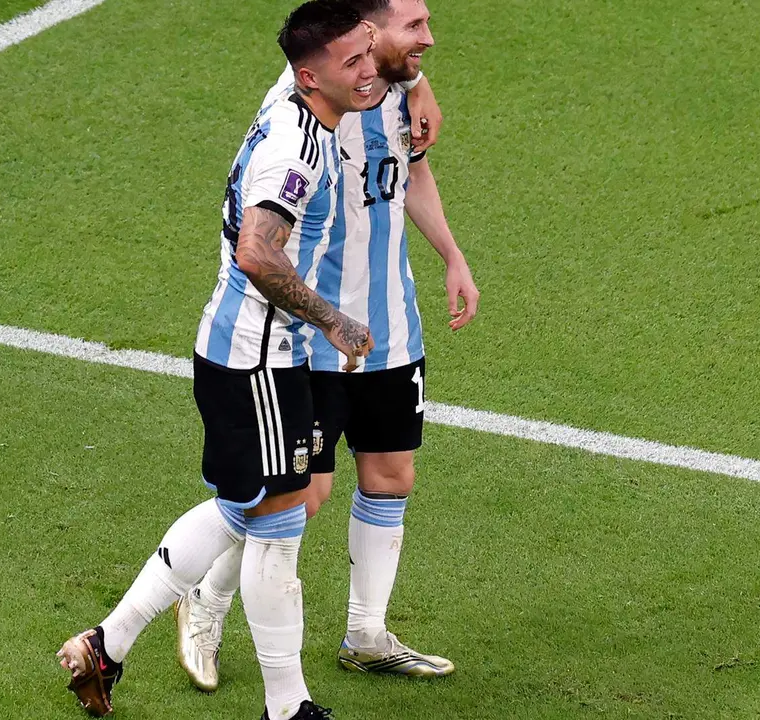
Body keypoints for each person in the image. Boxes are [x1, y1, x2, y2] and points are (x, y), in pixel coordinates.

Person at [56, 3, 378, 718]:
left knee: (242, 509)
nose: (368, 68)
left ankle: (105, 645)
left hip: (245, 352)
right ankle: (286, 708)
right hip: (257, 359)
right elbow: (258, 251)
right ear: (310, 75)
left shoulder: (295, 99)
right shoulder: (294, 150)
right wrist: (334, 321)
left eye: (368, 53)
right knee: (277, 523)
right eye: (353, 61)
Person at [176, 0, 480, 693]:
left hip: (391, 324)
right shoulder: (311, 95)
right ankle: (205, 602)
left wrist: (452, 257)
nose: (428, 40)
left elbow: (410, 172)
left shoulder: (399, 85)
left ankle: (367, 634)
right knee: (296, 496)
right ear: (368, 31)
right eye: (415, 27)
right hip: (318, 336)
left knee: (391, 473)